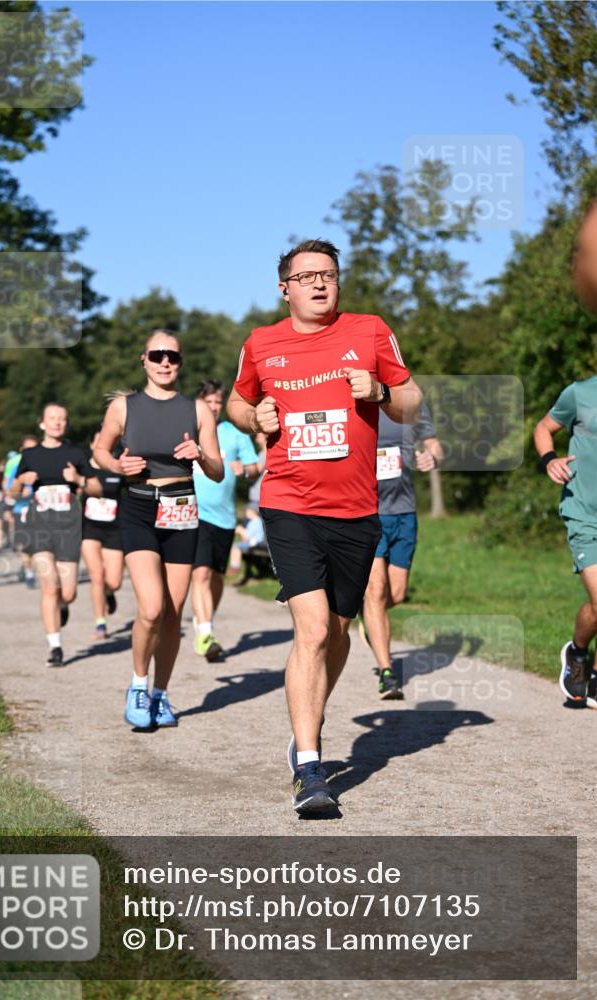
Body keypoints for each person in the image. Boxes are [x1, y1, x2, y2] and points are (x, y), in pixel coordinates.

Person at [227, 238, 422, 813]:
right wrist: (252, 415)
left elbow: (412, 401)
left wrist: (383, 391)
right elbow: (238, 404)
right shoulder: (261, 343)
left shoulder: (369, 331)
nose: (319, 283)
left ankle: (305, 721)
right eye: (307, 275)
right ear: (283, 286)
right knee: (311, 629)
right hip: (288, 502)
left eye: (329, 275)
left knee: (337, 631)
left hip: (358, 510)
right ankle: (310, 769)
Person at [93, 330, 223, 729]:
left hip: (182, 509)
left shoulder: (198, 410)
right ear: (144, 359)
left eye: (173, 357)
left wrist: (200, 455)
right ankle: (138, 684)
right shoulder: (123, 406)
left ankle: (161, 695)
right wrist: (118, 466)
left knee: (172, 614)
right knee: (150, 607)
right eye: (158, 355)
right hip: (139, 508)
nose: (165, 362)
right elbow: (100, 450)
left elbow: (218, 472)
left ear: (180, 362)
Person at [360, 403, 443, 699]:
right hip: (368, 513)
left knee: (395, 594)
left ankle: (368, 614)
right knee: (377, 590)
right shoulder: (355, 405)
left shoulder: (412, 404)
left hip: (405, 513)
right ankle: (387, 672)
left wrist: (431, 457)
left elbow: (434, 444)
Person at [12, 405, 97, 666]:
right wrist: (21, 481)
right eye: (52, 419)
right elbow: (13, 492)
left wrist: (79, 480)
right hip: (39, 527)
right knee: (49, 586)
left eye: (62, 419)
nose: (57, 423)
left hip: (68, 529)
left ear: (66, 424)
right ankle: (55, 647)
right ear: (42, 424)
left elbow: (96, 487)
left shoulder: (77, 452)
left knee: (67, 592)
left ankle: (63, 606)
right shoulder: (29, 454)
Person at [534, 375, 597, 708]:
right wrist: (550, 460)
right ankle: (578, 651)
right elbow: (543, 429)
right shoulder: (580, 393)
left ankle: (594, 674)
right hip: (584, 513)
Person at [191, 379, 259, 661]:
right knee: (201, 574)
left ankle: (206, 620)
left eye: (219, 402)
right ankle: (205, 633)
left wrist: (244, 470)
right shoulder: (187, 431)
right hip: (194, 514)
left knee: (216, 576)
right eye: (210, 402)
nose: (215, 407)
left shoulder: (233, 433)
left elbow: (255, 468)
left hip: (225, 517)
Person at [81, 430, 124, 641]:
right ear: (91, 445)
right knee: (96, 575)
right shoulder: (82, 468)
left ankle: (109, 593)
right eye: (97, 441)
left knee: (114, 581)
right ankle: (100, 623)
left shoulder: (116, 467)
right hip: (89, 528)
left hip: (114, 528)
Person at [4, 437, 39, 588]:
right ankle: (29, 572)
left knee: (39, 544)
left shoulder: (44, 465)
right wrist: (19, 492)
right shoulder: (16, 468)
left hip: (41, 510)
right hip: (21, 510)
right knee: (25, 545)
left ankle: (39, 570)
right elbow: (9, 490)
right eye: (27, 449)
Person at [229, 504, 266, 572]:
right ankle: (234, 566)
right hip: (252, 542)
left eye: (248, 510)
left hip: (256, 542)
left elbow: (247, 536)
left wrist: (240, 530)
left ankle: (235, 566)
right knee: (236, 545)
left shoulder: (256, 521)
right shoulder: (253, 521)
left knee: (236, 546)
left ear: (252, 512)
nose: (246, 512)